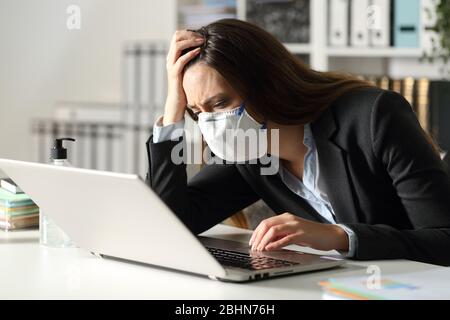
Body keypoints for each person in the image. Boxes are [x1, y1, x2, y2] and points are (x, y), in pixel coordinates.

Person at [145, 19, 450, 266]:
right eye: (198, 112)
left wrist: (339, 237)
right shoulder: (247, 151)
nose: (211, 123)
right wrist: (173, 112)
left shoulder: (373, 116)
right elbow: (170, 224)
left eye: (220, 102)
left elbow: (444, 240)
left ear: (267, 85)